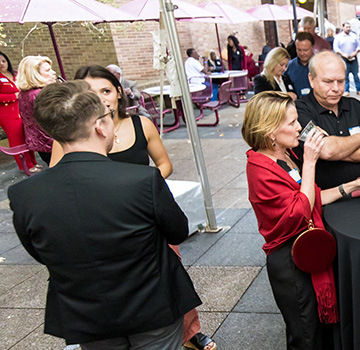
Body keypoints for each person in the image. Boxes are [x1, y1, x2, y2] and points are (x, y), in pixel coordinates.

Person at [9, 80, 201, 348]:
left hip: (86, 314)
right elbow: (178, 231)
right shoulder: (142, 180)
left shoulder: (24, 193)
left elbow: (40, 251)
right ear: (100, 126)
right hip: (153, 304)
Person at [59, 66, 213, 350]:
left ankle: (190, 332)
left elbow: (164, 164)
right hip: (99, 225)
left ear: (118, 92)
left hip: (146, 216)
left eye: (105, 90)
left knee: (172, 277)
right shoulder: (71, 137)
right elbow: (60, 179)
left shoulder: (141, 125)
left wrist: (143, 190)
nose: (100, 98)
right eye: (90, 92)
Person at [243, 91, 360, 350]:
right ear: (271, 131)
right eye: (292, 123)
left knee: (319, 330)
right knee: (306, 335)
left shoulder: (283, 155)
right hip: (290, 260)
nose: (300, 128)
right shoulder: (260, 169)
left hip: (306, 248)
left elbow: (312, 195)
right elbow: (301, 209)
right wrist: (310, 161)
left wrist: (352, 185)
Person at [295, 51, 360, 189]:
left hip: (359, 193)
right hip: (322, 198)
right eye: (328, 82)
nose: (336, 88)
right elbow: (327, 150)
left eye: (341, 81)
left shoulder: (354, 106)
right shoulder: (300, 110)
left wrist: (335, 151)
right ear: (311, 80)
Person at [0, 51, 38, 173]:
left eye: (3, 60)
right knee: (17, 140)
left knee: (27, 136)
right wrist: (13, 96)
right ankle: (26, 166)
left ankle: (34, 163)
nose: (1, 64)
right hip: (7, 114)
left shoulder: (16, 74)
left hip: (22, 110)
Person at [16, 55, 57, 165]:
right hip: (52, 143)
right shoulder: (40, 94)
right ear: (35, 74)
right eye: (48, 70)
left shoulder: (24, 93)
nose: (53, 73)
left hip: (40, 144)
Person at [333, 22, 360, 96]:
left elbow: (359, 46)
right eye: (346, 27)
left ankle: (358, 90)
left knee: (356, 75)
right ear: (343, 27)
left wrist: (355, 52)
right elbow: (336, 48)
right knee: (345, 75)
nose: (348, 28)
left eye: (349, 27)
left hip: (353, 58)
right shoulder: (339, 37)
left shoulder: (354, 36)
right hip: (344, 58)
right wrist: (343, 54)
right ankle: (346, 90)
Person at [286, 32, 316, 97]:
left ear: (313, 48)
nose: (302, 53)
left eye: (305, 50)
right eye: (299, 50)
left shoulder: (322, 65)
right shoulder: (289, 66)